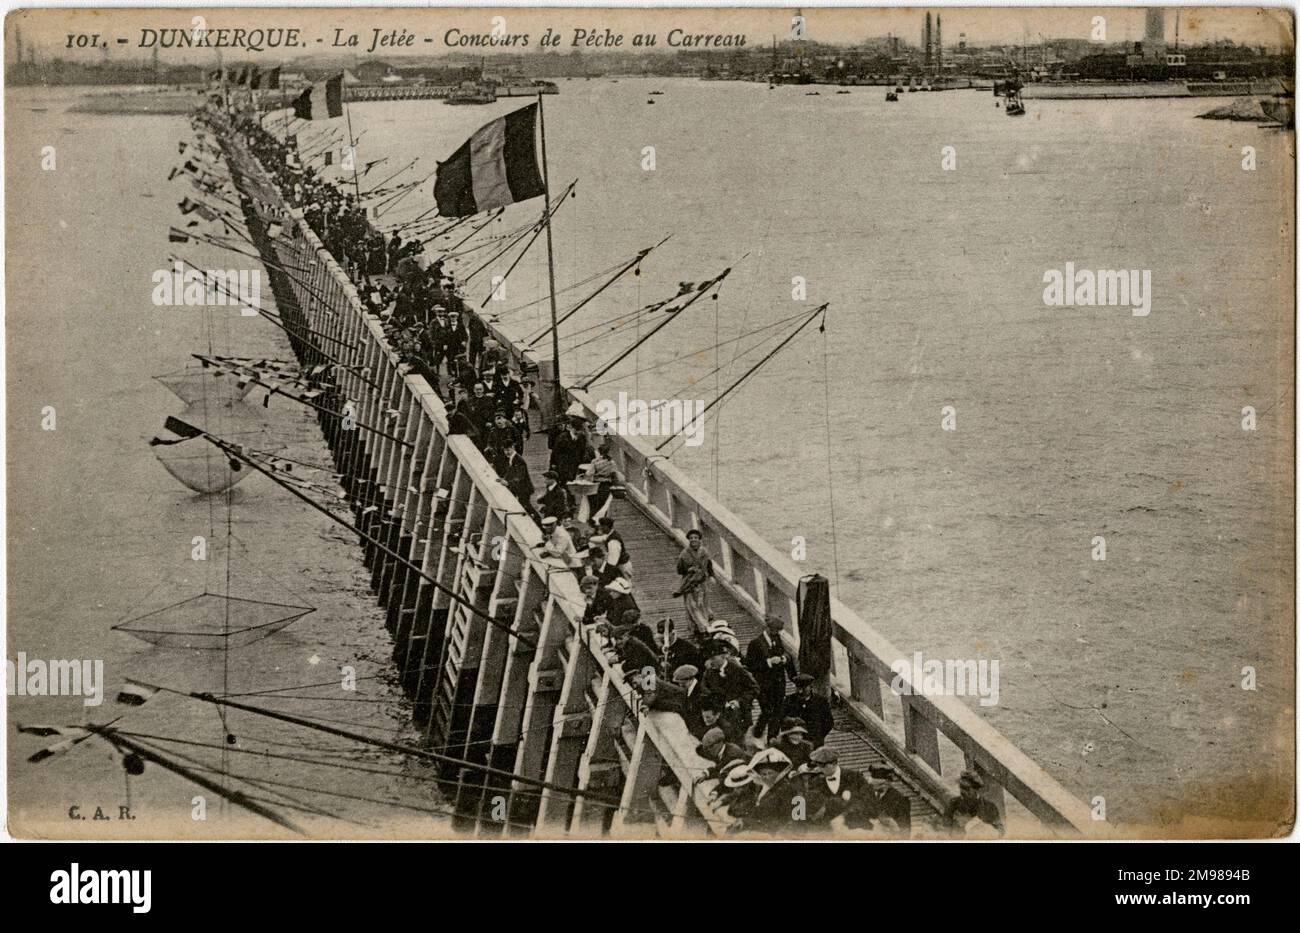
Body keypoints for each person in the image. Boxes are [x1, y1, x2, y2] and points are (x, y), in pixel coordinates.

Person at [746, 616, 797, 741]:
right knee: (767, 710)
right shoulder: (755, 643)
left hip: (778, 684)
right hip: (763, 685)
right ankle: (758, 731)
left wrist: (784, 659)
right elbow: (750, 665)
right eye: (775, 630)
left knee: (778, 712)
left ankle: (771, 739)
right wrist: (768, 662)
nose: (777, 633)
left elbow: (785, 654)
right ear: (768, 629)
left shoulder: (777, 639)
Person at [646, 664, 711, 737]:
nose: (680, 685)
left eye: (681, 683)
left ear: (689, 679)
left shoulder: (702, 693)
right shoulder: (687, 691)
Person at [674, 529, 714, 635]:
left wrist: (712, 576)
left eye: (695, 538)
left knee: (703, 604)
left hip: (702, 582)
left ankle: (703, 624)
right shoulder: (684, 554)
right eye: (691, 538)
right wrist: (689, 570)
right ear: (689, 540)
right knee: (691, 606)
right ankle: (700, 627)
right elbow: (679, 570)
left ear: (699, 539)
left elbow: (709, 565)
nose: (693, 540)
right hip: (689, 583)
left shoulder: (704, 552)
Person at [944, 770, 1004, 837]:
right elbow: (943, 830)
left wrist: (975, 824)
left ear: (976, 790)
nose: (962, 791)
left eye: (966, 789)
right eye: (961, 787)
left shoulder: (989, 807)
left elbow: (1000, 832)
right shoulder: (953, 803)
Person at [786, 673, 834, 748]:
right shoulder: (789, 700)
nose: (800, 692)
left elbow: (829, 723)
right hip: (796, 742)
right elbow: (782, 718)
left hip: (815, 741)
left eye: (804, 688)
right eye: (798, 688)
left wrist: (819, 737)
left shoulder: (820, 702)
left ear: (811, 687)